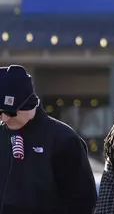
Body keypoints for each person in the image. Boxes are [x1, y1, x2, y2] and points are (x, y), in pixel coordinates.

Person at [0, 65, 97, 214]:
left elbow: (82, 202)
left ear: (28, 105)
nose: (5, 119)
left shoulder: (64, 140)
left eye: (10, 112)